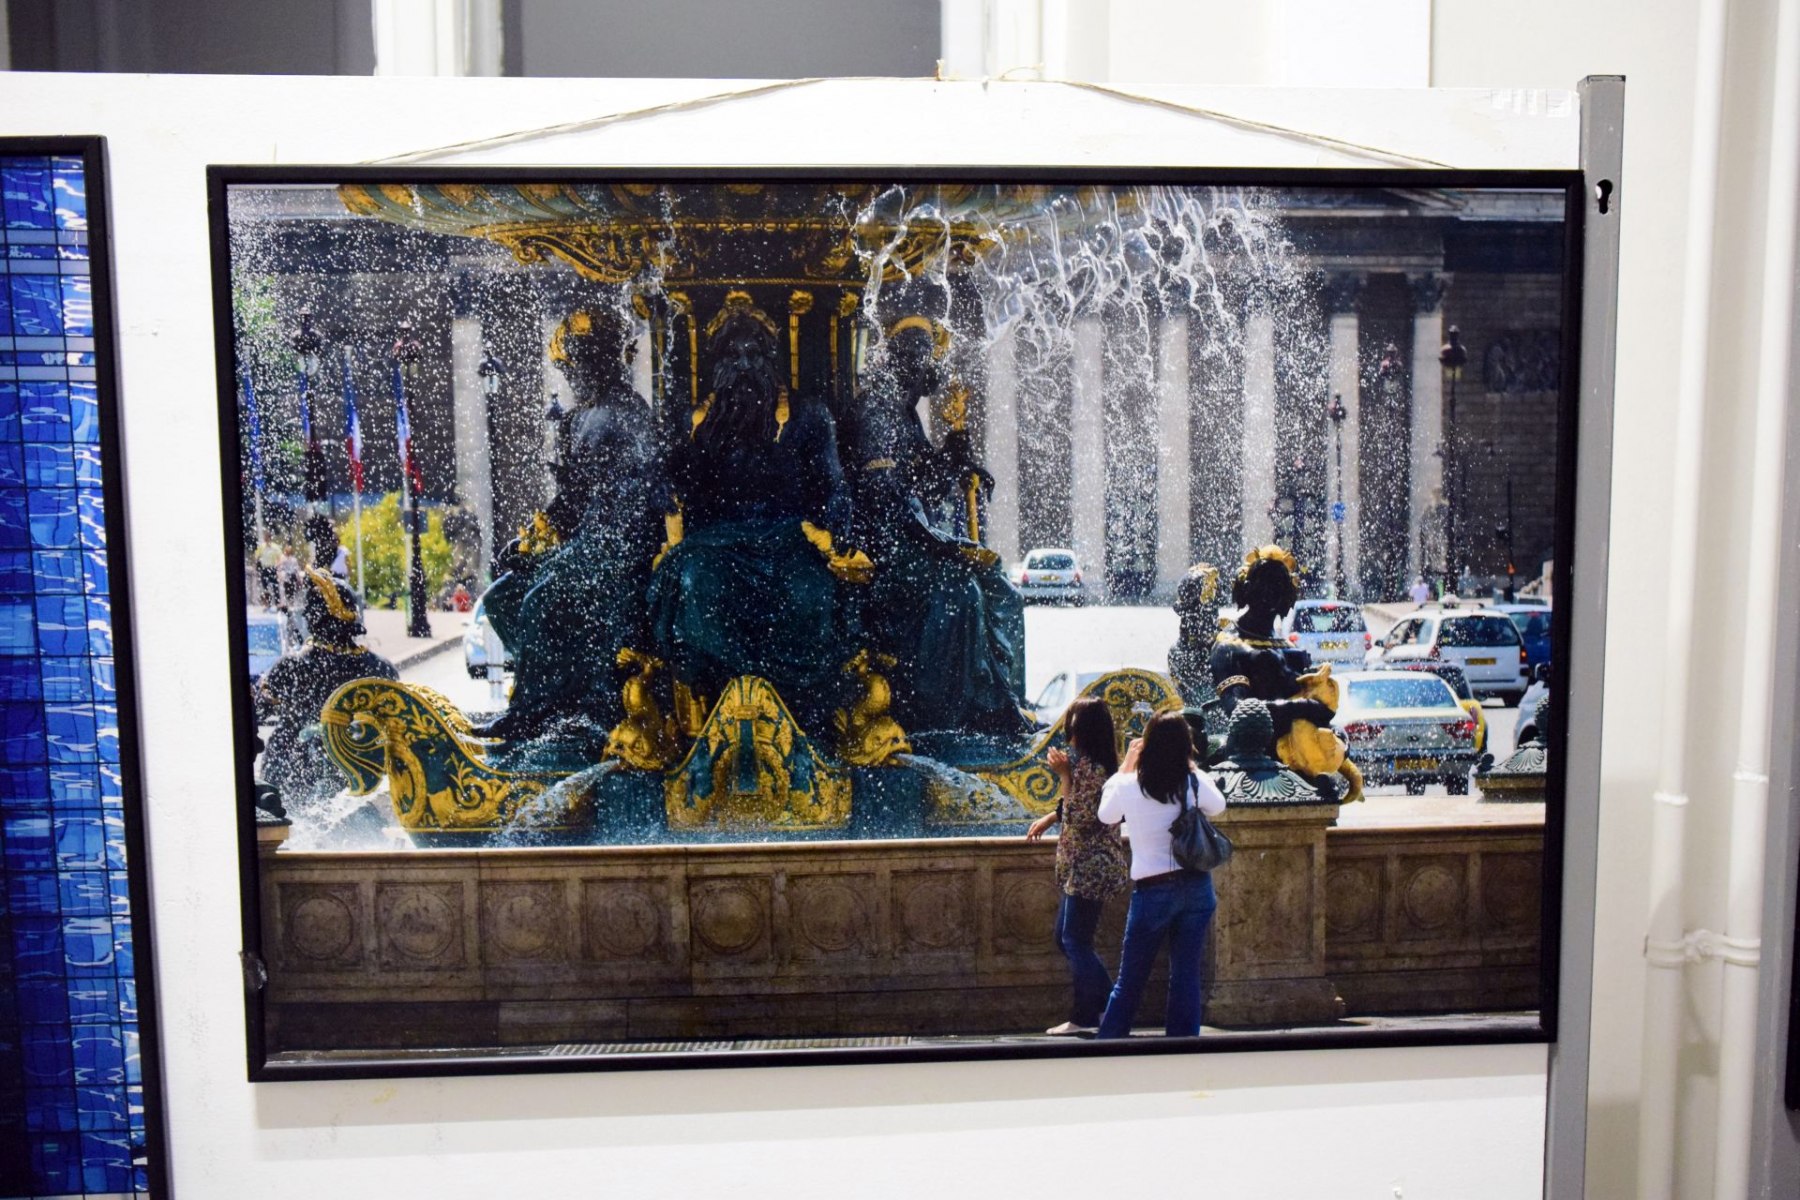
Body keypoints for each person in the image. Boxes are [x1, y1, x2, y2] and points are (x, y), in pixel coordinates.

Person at [1093, 710, 1226, 1039]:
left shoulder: (1129, 784)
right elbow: (1219, 805)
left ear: (1147, 742)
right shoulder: (1193, 782)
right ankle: (1182, 1046)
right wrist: (1191, 765)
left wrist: (1125, 766)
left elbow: (1106, 815)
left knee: (1130, 979)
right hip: (1196, 888)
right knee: (1186, 975)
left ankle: (1108, 1045)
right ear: (1187, 744)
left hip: (1152, 891)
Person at [1025, 696, 1127, 1035]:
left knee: (1074, 941)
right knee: (1067, 938)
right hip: (1088, 867)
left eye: (1071, 723)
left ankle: (1096, 1013)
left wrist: (1063, 776)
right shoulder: (1099, 765)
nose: (1066, 731)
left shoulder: (1087, 768)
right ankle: (1103, 1010)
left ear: (1081, 730)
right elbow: (1081, 806)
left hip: (1089, 867)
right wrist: (1050, 817)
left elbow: (1080, 817)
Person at [254, 535, 282, 610]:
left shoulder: (275, 547)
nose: (266, 540)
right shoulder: (262, 547)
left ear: (270, 539)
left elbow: (280, 557)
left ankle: (277, 604)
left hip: (272, 568)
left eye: (267, 538)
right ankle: (267, 604)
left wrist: (278, 566)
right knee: (265, 587)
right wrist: (257, 566)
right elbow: (256, 556)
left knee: (275, 587)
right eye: (265, 539)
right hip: (264, 568)